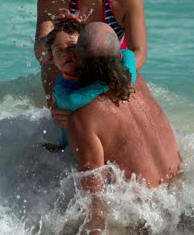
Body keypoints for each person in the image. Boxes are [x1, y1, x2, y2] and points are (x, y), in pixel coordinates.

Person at [67, 22, 182, 233]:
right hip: (184, 200)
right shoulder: (138, 82)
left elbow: (95, 202)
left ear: (75, 58)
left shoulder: (82, 118)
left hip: (146, 221)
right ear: (119, 56)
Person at [34, 0, 148, 119]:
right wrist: (54, 33)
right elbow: (41, 55)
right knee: (56, 58)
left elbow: (138, 51)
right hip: (68, 64)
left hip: (109, 62)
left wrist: (113, 79)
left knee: (115, 111)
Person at [44, 20, 136, 150]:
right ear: (51, 59)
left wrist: (126, 79)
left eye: (72, 47)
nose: (65, 53)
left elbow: (128, 54)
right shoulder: (62, 85)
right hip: (71, 148)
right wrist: (107, 84)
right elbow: (71, 100)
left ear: (84, 49)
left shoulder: (95, 71)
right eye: (58, 51)